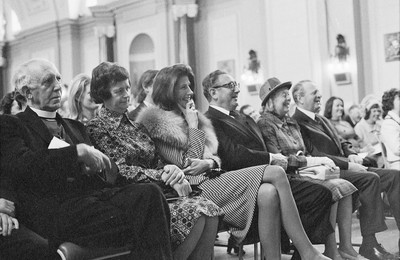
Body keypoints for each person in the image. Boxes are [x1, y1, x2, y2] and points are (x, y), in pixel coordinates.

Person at [153, 67, 334, 260]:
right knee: (277, 173)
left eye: (189, 86)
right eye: (183, 87)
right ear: (168, 90)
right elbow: (187, 166)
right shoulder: (160, 122)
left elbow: (214, 157)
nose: (190, 92)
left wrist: (209, 163)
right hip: (195, 187)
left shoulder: (193, 116)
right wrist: (193, 127)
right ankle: (308, 252)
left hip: (213, 177)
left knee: (269, 193)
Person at [0, 58, 173, 259]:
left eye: (58, 79)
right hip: (55, 207)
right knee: (146, 216)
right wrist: (77, 153)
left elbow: (103, 176)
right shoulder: (12, 125)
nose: (58, 87)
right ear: (28, 93)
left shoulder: (76, 127)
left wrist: (103, 170)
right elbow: (24, 164)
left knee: (149, 194)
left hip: (91, 199)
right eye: (48, 82)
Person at [86, 62, 222, 260]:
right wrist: (165, 174)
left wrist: (171, 170)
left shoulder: (135, 126)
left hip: (158, 190)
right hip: (135, 198)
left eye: (127, 87)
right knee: (199, 212)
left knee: (210, 211)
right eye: (118, 91)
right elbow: (119, 171)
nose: (126, 94)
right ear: (103, 95)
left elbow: (157, 161)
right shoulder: (96, 127)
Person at [291, 80, 400, 260]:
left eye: (319, 91)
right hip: (329, 170)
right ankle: (369, 244)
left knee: (394, 176)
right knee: (371, 179)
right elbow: (315, 153)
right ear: (299, 98)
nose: (319, 95)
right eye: (314, 93)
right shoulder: (297, 122)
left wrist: (350, 154)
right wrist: (348, 164)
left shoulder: (321, 118)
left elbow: (341, 141)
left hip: (345, 164)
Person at [257, 78, 363, 260]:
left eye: (288, 95)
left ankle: (342, 247)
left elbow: (303, 151)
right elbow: (279, 158)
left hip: (305, 171)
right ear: (270, 101)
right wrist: (310, 161)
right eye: (283, 96)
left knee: (345, 186)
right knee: (331, 190)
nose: (288, 99)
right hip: (289, 175)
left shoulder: (291, 122)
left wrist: (314, 162)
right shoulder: (265, 124)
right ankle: (327, 250)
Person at [354, 98, 384, 166]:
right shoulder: (359, 127)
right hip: (369, 161)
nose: (377, 113)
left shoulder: (380, 125)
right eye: (374, 111)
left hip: (382, 157)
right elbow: (357, 148)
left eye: (378, 111)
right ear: (367, 112)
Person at [380, 88, 400, 170]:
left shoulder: (395, 120)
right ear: (390, 103)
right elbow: (397, 149)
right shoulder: (389, 123)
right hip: (397, 163)